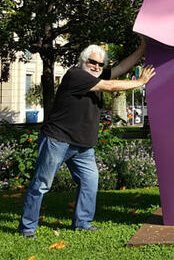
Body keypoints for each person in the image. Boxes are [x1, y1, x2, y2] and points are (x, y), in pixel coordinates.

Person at [18, 40, 155, 239]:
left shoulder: (95, 76)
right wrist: (140, 82)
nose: (97, 67)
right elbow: (108, 86)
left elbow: (121, 68)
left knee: (90, 182)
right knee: (41, 184)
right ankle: (27, 228)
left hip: (82, 146)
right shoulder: (76, 75)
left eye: (101, 65)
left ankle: (82, 223)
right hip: (58, 140)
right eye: (93, 62)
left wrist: (142, 48)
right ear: (83, 60)